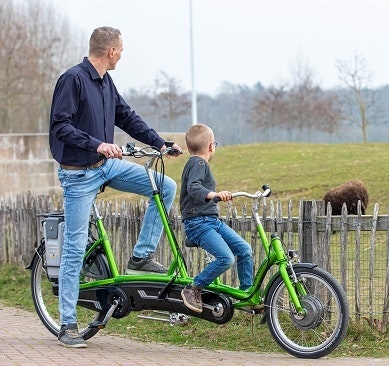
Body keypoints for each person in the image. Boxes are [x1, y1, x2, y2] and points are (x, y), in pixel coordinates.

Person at [49, 26, 181, 348]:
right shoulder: (73, 79)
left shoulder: (106, 82)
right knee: (75, 248)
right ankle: (67, 324)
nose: (122, 54)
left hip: (106, 166)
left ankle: (141, 256)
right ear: (110, 51)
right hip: (78, 174)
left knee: (164, 187)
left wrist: (159, 143)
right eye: (120, 50)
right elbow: (60, 126)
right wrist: (98, 145)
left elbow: (126, 116)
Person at [180, 124, 253, 313]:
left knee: (244, 249)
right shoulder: (198, 163)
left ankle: (247, 293)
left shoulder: (197, 163)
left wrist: (215, 196)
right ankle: (193, 288)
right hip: (198, 223)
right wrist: (214, 194)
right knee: (226, 258)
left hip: (212, 222)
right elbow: (193, 188)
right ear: (212, 146)